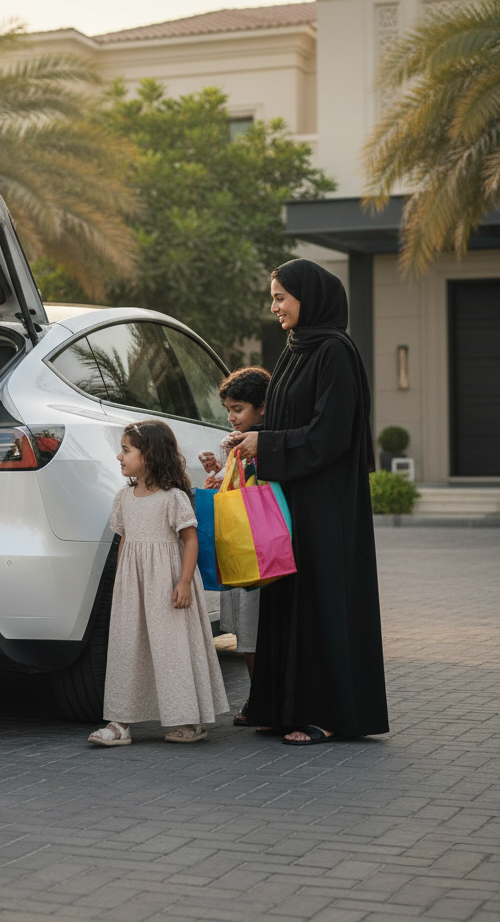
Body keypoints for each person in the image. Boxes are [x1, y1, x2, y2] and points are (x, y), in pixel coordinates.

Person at [230, 259, 389, 746]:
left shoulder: (335, 351)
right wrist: (249, 442)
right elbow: (284, 421)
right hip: (293, 496)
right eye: (273, 297)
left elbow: (331, 433)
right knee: (289, 595)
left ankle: (328, 713)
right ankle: (281, 706)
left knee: (322, 600)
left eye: (281, 297)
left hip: (327, 502)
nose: (274, 306)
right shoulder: (297, 350)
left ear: (309, 297)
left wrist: (268, 445)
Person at [88, 420, 229, 747]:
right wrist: (122, 581)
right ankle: (119, 722)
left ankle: (189, 720)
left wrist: (183, 582)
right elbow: (125, 540)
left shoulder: (173, 497)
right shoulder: (124, 497)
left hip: (168, 584)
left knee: (172, 649)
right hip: (134, 586)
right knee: (127, 649)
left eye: (126, 450)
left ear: (149, 455)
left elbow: (190, 541)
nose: (119, 456)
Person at [198, 366, 270, 727]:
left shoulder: (266, 443)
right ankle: (258, 699)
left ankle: (264, 700)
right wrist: (218, 473)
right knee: (246, 632)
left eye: (239, 408)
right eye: (228, 408)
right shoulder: (233, 444)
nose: (232, 416)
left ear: (261, 408)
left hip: (258, 550)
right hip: (241, 550)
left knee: (256, 628)